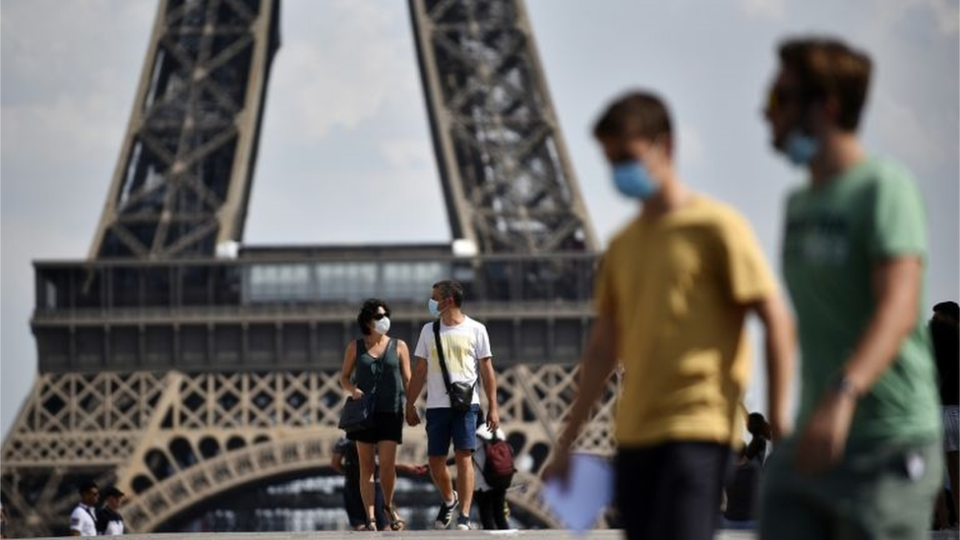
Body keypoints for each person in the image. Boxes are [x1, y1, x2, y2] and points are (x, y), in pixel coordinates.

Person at [541, 91, 796, 540]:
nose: (620, 169)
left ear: (666, 146)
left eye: (629, 156)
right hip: (636, 431)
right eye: (612, 159)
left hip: (698, 424)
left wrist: (780, 420)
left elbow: (775, 319)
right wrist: (566, 443)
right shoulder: (623, 246)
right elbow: (602, 349)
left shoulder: (717, 228)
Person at [758, 37, 943, 540]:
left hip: (887, 437)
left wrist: (843, 393)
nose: (764, 111)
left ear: (826, 107)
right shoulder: (798, 205)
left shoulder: (884, 189)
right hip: (818, 436)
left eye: (779, 99)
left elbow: (899, 306)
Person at [405, 280, 500, 531]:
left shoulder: (476, 329)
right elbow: (420, 370)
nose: (431, 302)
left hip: (467, 405)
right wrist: (409, 402)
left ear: (448, 301)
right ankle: (450, 499)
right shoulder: (429, 331)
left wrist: (494, 407)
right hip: (437, 406)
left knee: (464, 457)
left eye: (434, 297)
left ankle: (465, 516)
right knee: (435, 461)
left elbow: (487, 369)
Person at [339, 298, 412, 531]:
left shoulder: (399, 346)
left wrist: (411, 406)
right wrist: (354, 390)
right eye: (379, 317)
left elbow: (408, 379)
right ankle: (370, 516)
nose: (384, 320)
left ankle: (388, 506)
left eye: (385, 315)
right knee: (367, 467)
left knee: (388, 466)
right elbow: (344, 377)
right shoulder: (355, 347)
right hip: (364, 413)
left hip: (391, 410)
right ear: (368, 321)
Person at [932, 301, 960, 527]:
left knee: (935, 473)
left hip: (938, 411)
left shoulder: (931, 342)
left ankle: (944, 521)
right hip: (956, 410)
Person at [473, 425, 511, 530]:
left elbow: (463, 456)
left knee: (487, 519)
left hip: (484, 483)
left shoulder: (476, 437)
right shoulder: (499, 431)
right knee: (500, 517)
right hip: (501, 478)